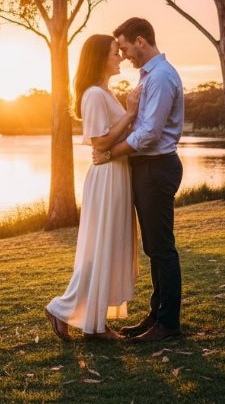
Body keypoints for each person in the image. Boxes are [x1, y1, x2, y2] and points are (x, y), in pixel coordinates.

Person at [45, 34, 142, 341]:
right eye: (115, 52)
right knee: (101, 247)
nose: (121, 57)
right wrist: (130, 113)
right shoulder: (94, 95)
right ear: (100, 58)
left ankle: (94, 322)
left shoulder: (105, 92)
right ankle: (65, 310)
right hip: (107, 178)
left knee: (108, 248)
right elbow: (99, 142)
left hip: (116, 174)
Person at [94, 17, 184, 342]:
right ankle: (156, 315)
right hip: (147, 168)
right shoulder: (149, 77)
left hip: (156, 167)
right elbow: (139, 125)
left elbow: (149, 134)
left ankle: (168, 324)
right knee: (153, 248)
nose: (124, 55)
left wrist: (110, 152)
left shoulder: (160, 77)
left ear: (141, 41)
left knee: (162, 249)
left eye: (125, 47)